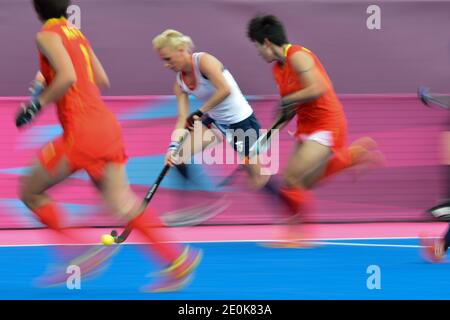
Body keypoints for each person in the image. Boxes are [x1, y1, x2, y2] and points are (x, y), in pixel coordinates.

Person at [17, 0, 201, 292]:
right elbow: (100, 79)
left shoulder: (46, 35)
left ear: (37, 8)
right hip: (105, 127)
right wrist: (47, 77)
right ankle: (177, 260)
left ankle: (79, 253)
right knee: (123, 203)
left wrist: (34, 105)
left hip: (81, 132)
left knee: (29, 191)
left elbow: (67, 76)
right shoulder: (77, 34)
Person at [246, 14, 385, 245]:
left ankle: (300, 234)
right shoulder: (277, 70)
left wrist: (289, 99)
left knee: (293, 179)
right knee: (301, 183)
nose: (258, 52)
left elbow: (318, 87)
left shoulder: (298, 56)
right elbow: (288, 109)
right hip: (306, 125)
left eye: (257, 45)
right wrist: (267, 137)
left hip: (327, 122)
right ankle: (351, 157)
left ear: (267, 42)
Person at [152, 29, 273, 223]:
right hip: (216, 121)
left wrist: (200, 111)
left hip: (241, 121)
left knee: (258, 180)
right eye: (163, 61)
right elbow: (182, 118)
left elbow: (225, 89)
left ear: (182, 49)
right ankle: (202, 201)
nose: (167, 65)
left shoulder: (204, 61)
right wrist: (172, 147)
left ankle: (293, 215)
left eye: (168, 58)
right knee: (179, 156)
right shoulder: (179, 83)